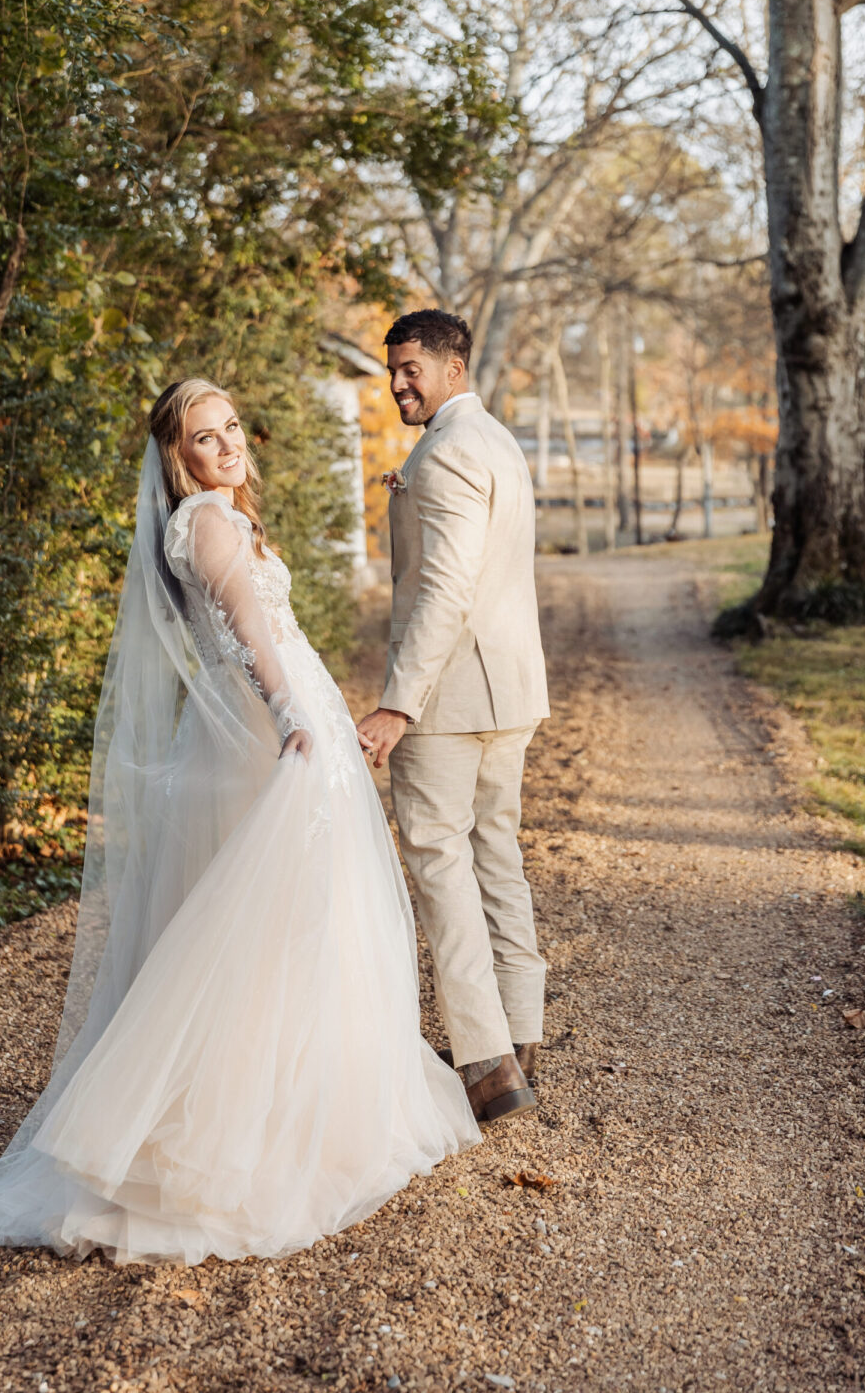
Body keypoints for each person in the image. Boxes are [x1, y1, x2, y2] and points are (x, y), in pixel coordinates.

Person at [0, 377, 479, 1266]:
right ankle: (235, 1128)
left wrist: (311, 706)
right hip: (271, 737)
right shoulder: (208, 523)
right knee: (274, 930)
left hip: (279, 726)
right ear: (175, 456)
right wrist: (293, 715)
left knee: (290, 926)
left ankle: (303, 1099)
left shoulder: (222, 513)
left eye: (231, 428)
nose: (227, 445)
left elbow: (269, 625)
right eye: (203, 436)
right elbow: (246, 631)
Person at [357, 310, 549, 1127]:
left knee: (441, 866)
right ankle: (519, 1040)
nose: (398, 382)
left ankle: (483, 1065)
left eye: (411, 369)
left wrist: (399, 702)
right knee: (494, 857)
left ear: (453, 366)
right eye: (392, 369)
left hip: (449, 703)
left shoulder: (443, 456)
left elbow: (443, 591)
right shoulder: (496, 440)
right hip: (510, 693)